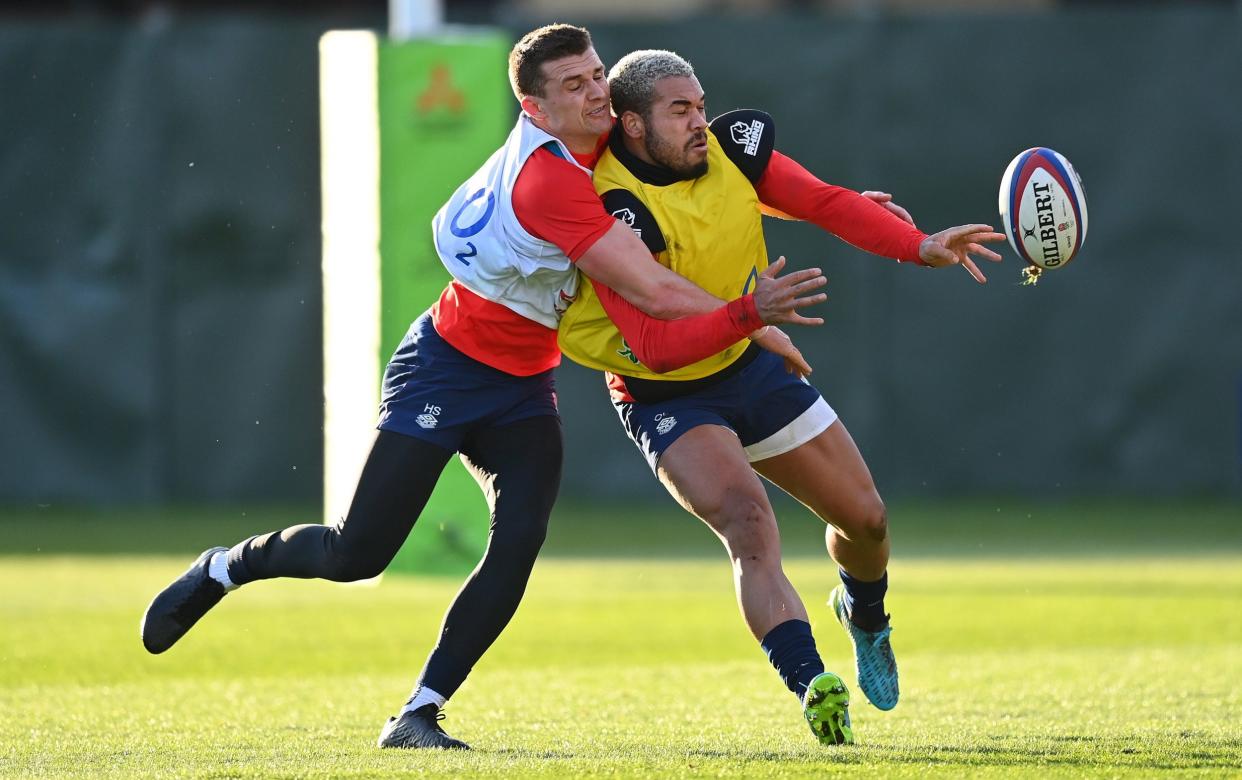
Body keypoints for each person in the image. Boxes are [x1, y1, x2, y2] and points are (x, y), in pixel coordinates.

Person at [138, 25, 829, 752]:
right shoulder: (552, 176)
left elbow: (716, 187)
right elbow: (654, 288)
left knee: (519, 538)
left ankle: (420, 710)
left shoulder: (613, 143)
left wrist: (819, 205)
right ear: (534, 109)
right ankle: (227, 566)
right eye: (573, 85)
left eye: (596, 75)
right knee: (356, 554)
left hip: (525, 385)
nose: (596, 90)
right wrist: (751, 320)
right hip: (448, 367)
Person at [557, 49, 1006, 746]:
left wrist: (921, 246)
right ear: (635, 125)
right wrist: (751, 316)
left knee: (868, 521)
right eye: (680, 111)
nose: (700, 121)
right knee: (749, 523)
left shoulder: (734, 150)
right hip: (663, 389)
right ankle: (811, 683)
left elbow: (823, 202)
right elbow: (654, 341)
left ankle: (865, 615)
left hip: (746, 364)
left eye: (700, 104)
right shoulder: (608, 199)